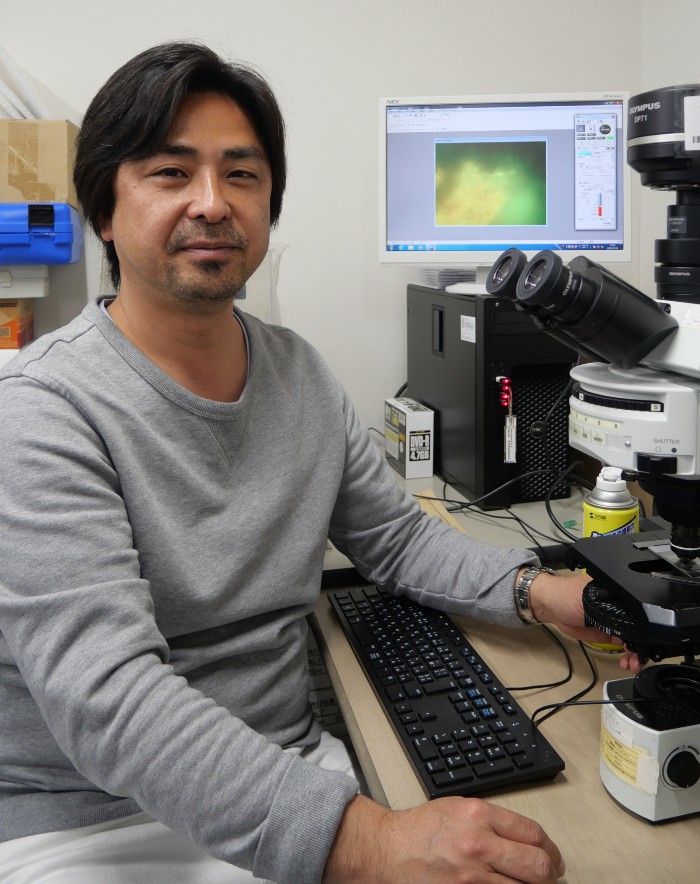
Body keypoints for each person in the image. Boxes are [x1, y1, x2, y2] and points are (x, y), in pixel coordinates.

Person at [0, 42, 634, 884]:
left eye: (243, 174)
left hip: (291, 769)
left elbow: (400, 542)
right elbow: (108, 700)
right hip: (94, 822)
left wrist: (543, 592)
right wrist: (366, 842)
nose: (212, 204)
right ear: (106, 212)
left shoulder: (297, 371)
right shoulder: (40, 408)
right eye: (169, 173)